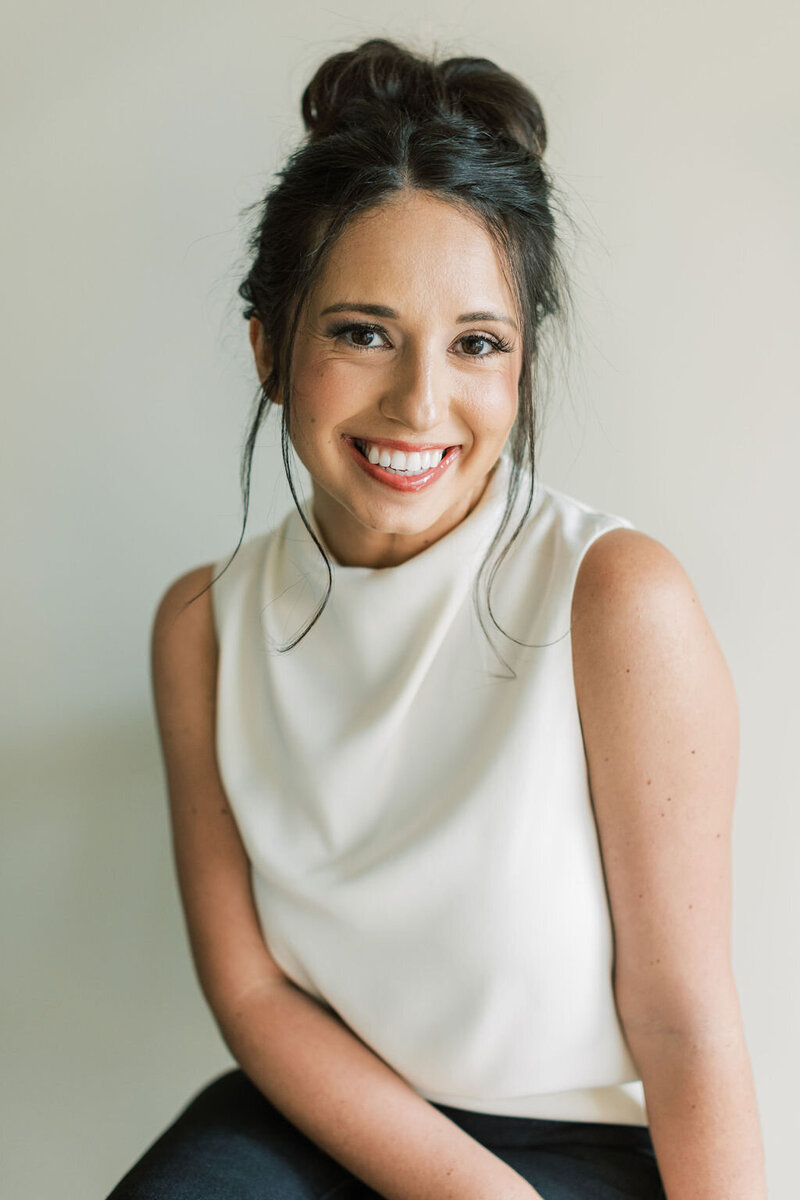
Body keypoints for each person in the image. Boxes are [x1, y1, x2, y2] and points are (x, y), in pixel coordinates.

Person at [107, 37, 767, 1200]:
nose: (420, 403)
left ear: (519, 366)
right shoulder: (200, 626)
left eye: (475, 345)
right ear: (270, 347)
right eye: (362, 332)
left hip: (575, 1154)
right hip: (310, 1118)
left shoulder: (614, 599)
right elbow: (252, 993)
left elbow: (683, 1026)